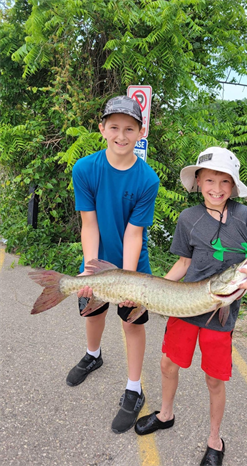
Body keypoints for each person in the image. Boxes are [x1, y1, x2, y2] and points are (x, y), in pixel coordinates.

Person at [134, 147, 247, 465]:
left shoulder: (246, 217)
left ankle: (215, 439)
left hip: (221, 314)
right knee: (168, 365)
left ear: (233, 186)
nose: (217, 188)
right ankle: (165, 414)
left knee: (215, 379)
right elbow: (184, 263)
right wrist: (150, 289)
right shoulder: (188, 218)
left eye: (225, 181)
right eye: (210, 179)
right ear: (198, 181)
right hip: (185, 308)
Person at [67, 96, 160, 434]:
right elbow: (88, 224)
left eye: (129, 128)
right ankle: (94, 354)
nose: (122, 135)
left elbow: (134, 235)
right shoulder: (85, 169)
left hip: (133, 266)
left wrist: (127, 284)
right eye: (115, 127)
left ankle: (134, 389)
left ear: (140, 132)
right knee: (92, 311)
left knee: (132, 322)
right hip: (96, 259)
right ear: (102, 128)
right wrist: (91, 268)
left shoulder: (147, 180)